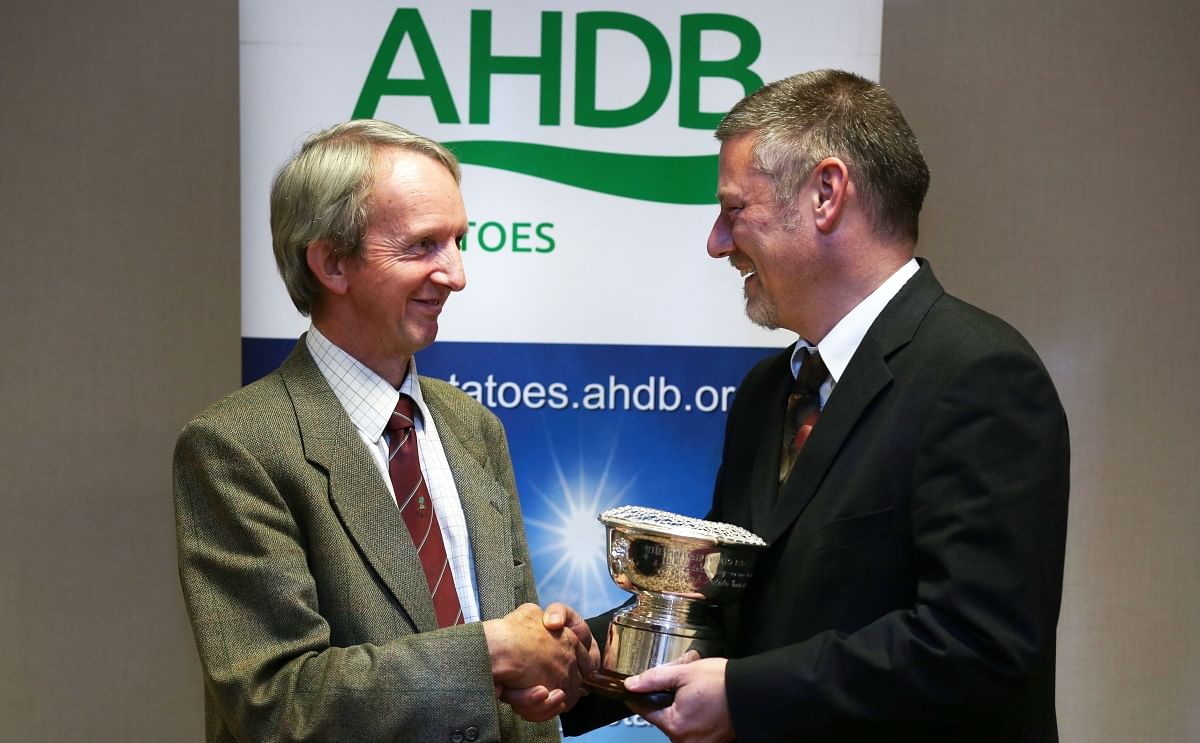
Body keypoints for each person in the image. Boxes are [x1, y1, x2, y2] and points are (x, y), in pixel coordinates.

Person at [565, 69, 1071, 742]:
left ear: (826, 194)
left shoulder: (979, 374)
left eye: (734, 209)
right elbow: (729, 600)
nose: (717, 241)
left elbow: (977, 644)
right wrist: (581, 663)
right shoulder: (767, 393)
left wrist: (745, 696)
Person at [174, 119, 597, 743]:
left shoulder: (472, 427)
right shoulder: (236, 447)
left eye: (459, 241)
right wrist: (490, 653)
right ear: (332, 263)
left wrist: (553, 662)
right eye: (424, 246)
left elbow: (512, 668)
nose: (457, 275)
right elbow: (274, 701)